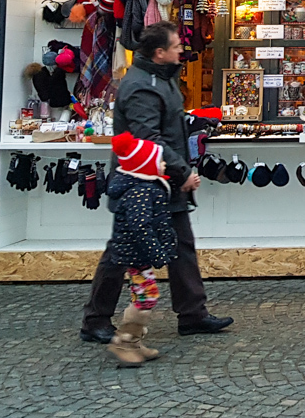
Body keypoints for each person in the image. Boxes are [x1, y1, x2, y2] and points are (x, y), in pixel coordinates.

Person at [81, 22, 232, 341]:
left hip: (160, 179)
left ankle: (192, 314)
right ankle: (95, 320)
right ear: (160, 53)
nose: (182, 49)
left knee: (181, 245)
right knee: (120, 251)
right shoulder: (143, 87)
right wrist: (182, 171)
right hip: (141, 182)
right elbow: (148, 138)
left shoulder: (159, 79)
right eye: (176, 46)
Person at [103, 131, 178, 366]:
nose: (164, 163)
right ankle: (125, 341)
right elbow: (141, 227)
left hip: (137, 254)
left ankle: (133, 342)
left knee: (142, 296)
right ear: (146, 166)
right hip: (137, 255)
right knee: (146, 298)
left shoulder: (146, 188)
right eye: (160, 160)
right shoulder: (142, 192)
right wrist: (157, 253)